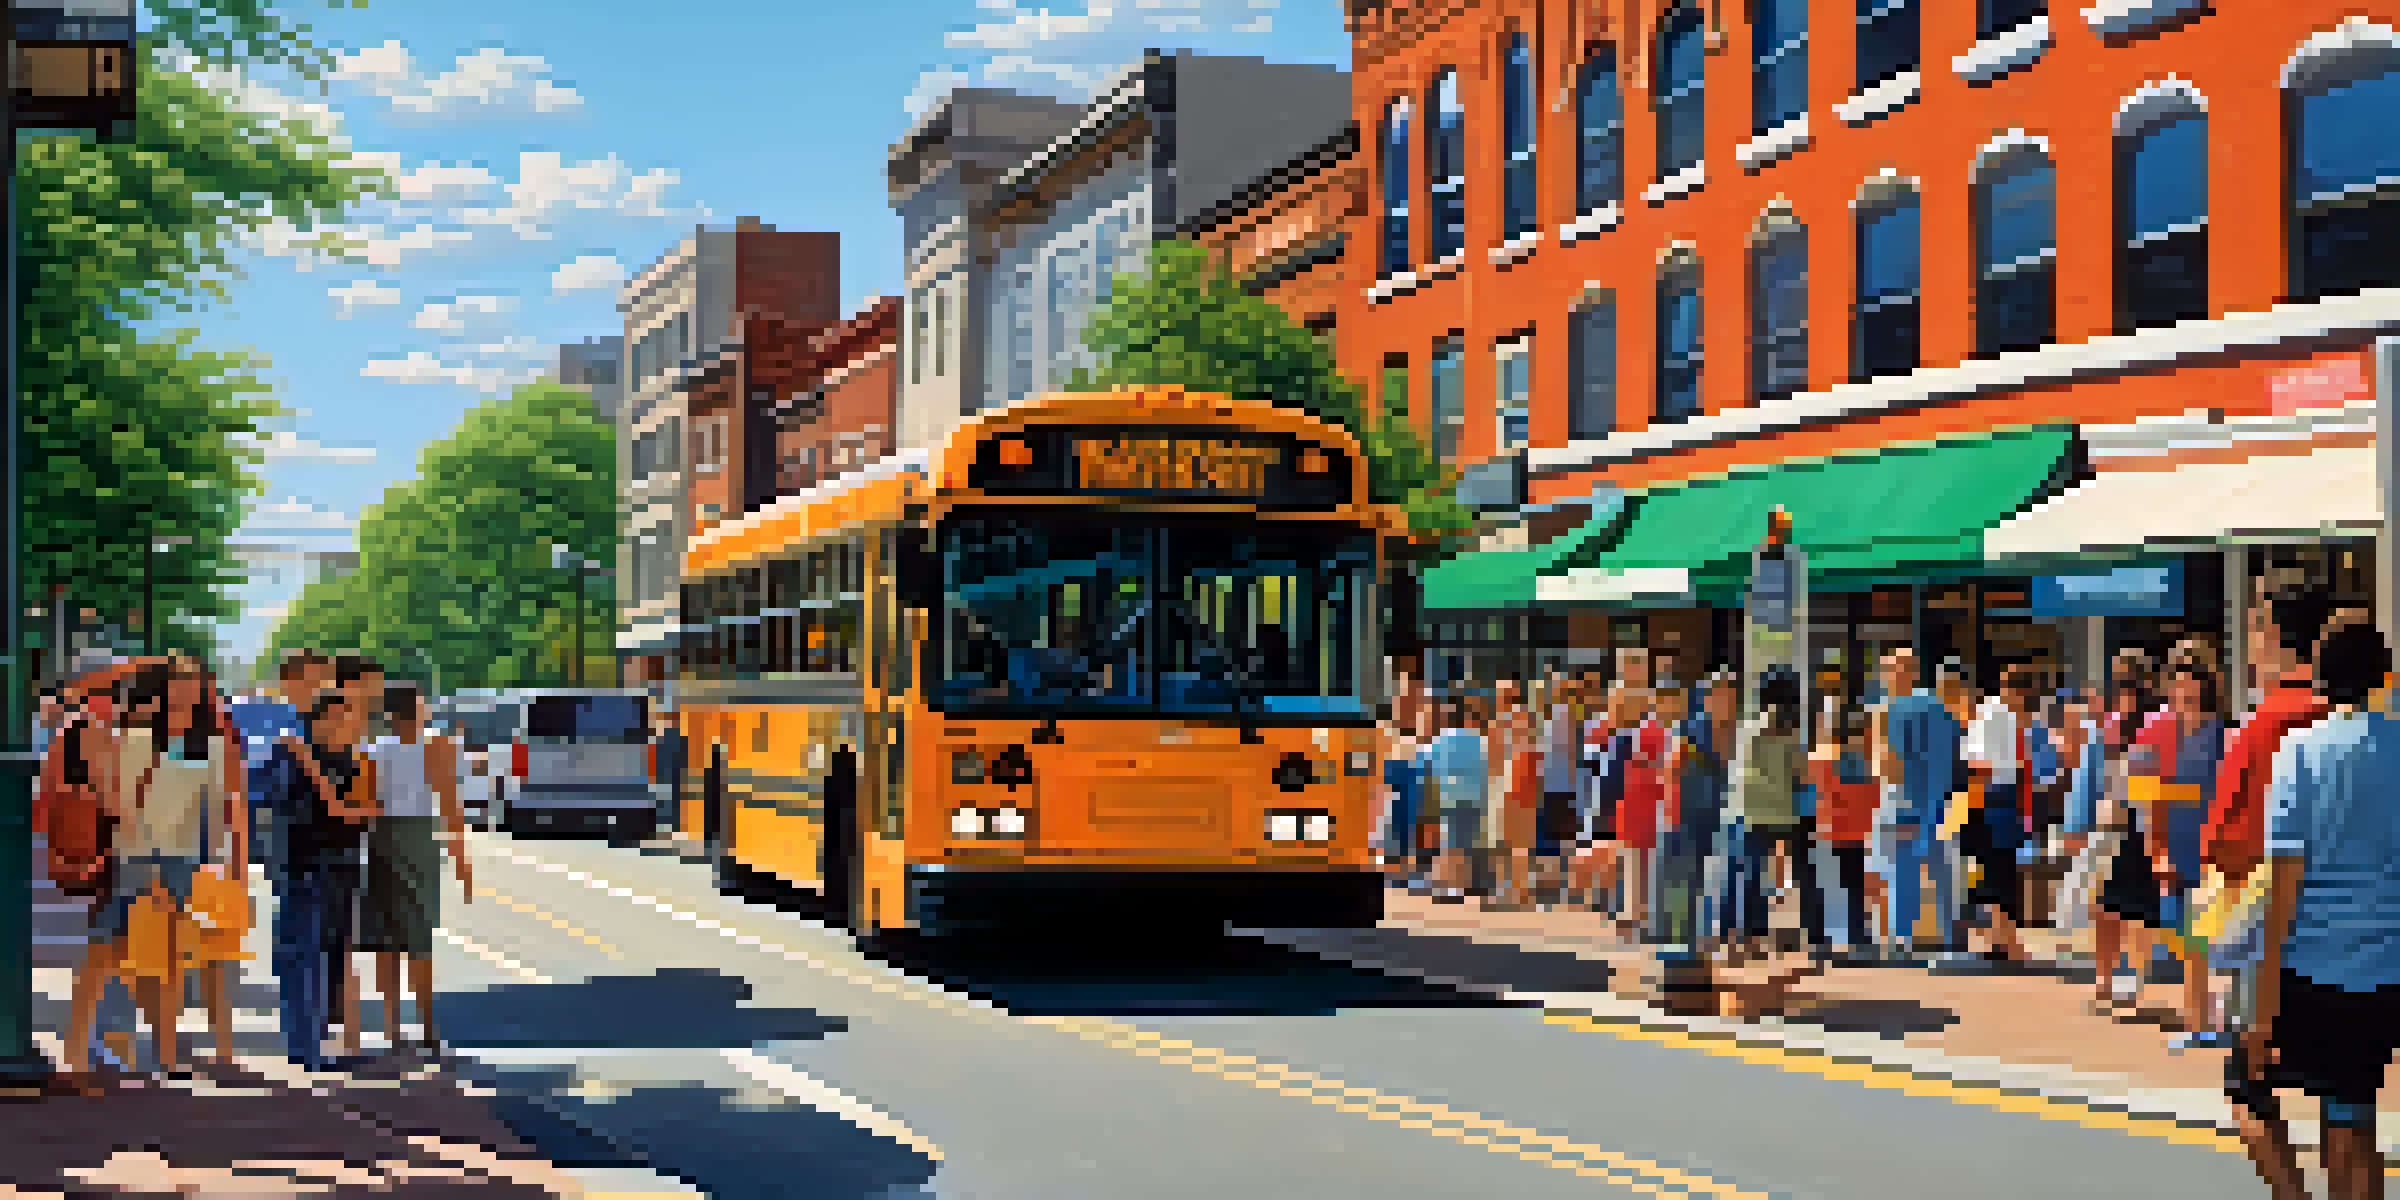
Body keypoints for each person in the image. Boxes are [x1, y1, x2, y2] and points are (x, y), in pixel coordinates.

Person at [2227, 622, 2400, 1200]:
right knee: (2350, 1117)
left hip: (2306, 966)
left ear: (2323, 680)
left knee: (2248, 1091)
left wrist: (2262, 1010)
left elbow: (2283, 886)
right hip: (2382, 971)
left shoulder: (2300, 751)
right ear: (2384, 678)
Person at [2190, 582, 2333, 1054]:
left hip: (2266, 918)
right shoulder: (2352, 718)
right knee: (2345, 1097)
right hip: (2352, 936)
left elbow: (2227, 837)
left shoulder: (2264, 723)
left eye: (2254, 626)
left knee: (2252, 1074)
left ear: (2272, 635)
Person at [99, 661, 247, 1078]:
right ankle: (115, 1044)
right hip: (135, 857)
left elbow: (224, 806)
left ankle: (165, 1053)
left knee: (172, 961)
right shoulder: (134, 738)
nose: (185, 696)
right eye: (177, 687)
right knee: (131, 957)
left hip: (184, 859)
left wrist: (229, 864)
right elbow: (117, 799)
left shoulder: (212, 745)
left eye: (193, 688)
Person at [264, 687, 380, 1071]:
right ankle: (304, 1048)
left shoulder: (357, 762)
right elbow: (267, 803)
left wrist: (313, 770)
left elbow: (359, 813)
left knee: (330, 956)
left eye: (348, 717)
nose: (344, 724)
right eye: (336, 717)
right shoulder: (289, 759)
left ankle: (316, 1044)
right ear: (316, 722)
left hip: (341, 864)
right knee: (299, 957)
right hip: (300, 866)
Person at [359, 682, 471, 1055]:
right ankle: (425, 1025)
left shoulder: (372, 750)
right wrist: (461, 858)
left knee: (384, 940)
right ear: (418, 710)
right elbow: (450, 803)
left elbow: (368, 805)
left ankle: (391, 1027)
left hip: (381, 838)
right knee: (420, 937)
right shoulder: (436, 745)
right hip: (419, 837)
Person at [2137, 643, 2229, 1038]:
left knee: (2210, 941)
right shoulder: (2159, 730)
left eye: (2192, 684)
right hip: (2175, 850)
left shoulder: (2226, 732)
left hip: (2215, 850)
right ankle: (2202, 1017)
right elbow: (2146, 796)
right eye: (2177, 682)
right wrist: (2156, 850)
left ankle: (2206, 1019)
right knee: (2188, 941)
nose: (2184, 693)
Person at [2092, 667, 2164, 1016]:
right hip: (2116, 823)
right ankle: (2104, 981)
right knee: (2106, 909)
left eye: (2129, 686)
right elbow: (2100, 775)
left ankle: (2132, 983)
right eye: (2118, 686)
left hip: (2145, 823)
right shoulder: (2110, 725)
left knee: (2141, 914)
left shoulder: (2155, 723)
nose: (2123, 694)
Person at [1883, 650, 1962, 962]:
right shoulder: (1939, 709)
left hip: (1907, 803)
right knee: (1939, 870)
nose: (1887, 677)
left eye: (1890, 671)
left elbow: (1891, 763)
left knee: (1906, 872)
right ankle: (1947, 937)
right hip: (1935, 804)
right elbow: (1952, 761)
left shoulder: (1894, 710)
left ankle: (1905, 939)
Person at [1728, 668, 1810, 963]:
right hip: (1785, 811)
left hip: (1752, 809)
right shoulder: (1794, 732)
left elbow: (1740, 770)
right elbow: (1801, 772)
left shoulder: (1750, 728)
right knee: (1795, 874)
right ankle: (1799, 932)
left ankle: (1747, 938)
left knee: (1749, 874)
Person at [1813, 707, 1883, 962]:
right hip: (1854, 831)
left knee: (1836, 886)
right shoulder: (1864, 761)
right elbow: (1873, 797)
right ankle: (1857, 936)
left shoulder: (1826, 759)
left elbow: (1821, 795)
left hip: (1833, 830)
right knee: (1854, 885)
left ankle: (1834, 937)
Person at [1675, 671, 1738, 954]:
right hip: (1694, 809)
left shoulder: (1742, 729)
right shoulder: (1691, 728)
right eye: (1720, 693)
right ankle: (1692, 936)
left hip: (1729, 809)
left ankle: (1717, 932)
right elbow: (1677, 769)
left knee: (1724, 871)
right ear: (1708, 697)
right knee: (1694, 873)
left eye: (1730, 694)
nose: (1725, 699)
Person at [1424, 698, 1487, 904]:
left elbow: (1430, 771)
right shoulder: (1478, 740)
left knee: (1450, 845)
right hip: (1474, 799)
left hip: (1448, 799)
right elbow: (1486, 770)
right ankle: (1464, 886)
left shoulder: (1440, 740)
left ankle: (1448, 887)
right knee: (1468, 845)